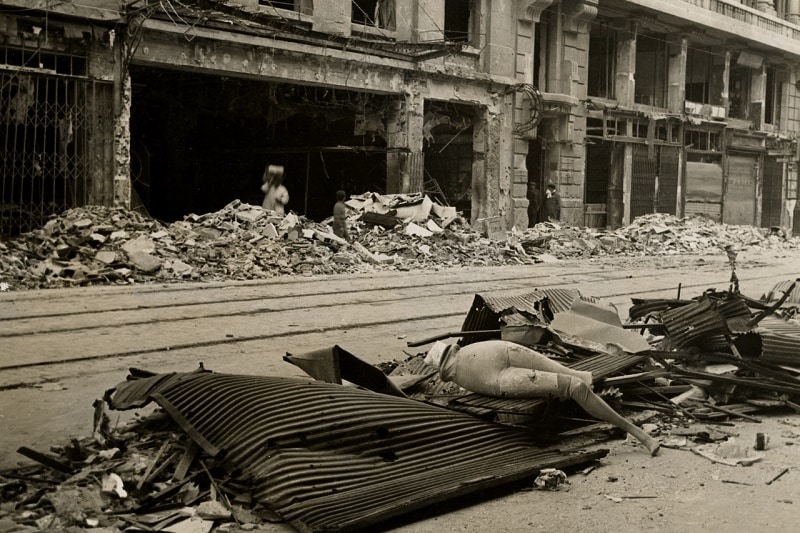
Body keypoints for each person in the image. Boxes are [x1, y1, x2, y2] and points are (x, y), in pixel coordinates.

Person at [424, 340, 660, 456]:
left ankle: (629, 427)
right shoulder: (458, 371)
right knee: (574, 385)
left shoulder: (460, 362)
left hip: (503, 353)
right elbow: (486, 380)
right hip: (500, 374)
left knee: (575, 377)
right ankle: (639, 434)